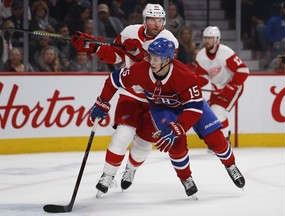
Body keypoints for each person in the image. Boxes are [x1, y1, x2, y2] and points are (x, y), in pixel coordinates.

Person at [89, 38, 245, 197]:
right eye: (150, 56)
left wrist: (179, 127)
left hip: (192, 108)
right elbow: (114, 80)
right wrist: (102, 101)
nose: (151, 61)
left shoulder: (185, 76)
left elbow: (194, 109)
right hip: (162, 108)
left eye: (156, 59)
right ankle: (186, 178)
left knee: (216, 138)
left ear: (168, 60)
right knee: (176, 144)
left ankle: (230, 165)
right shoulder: (140, 69)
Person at [71, 3, 179, 198]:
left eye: (160, 20)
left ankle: (131, 169)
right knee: (122, 135)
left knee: (143, 146)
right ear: (144, 20)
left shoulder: (169, 40)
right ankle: (107, 175)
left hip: (156, 100)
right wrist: (93, 47)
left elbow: (159, 71)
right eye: (152, 19)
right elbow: (115, 56)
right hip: (131, 94)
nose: (156, 24)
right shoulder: (130, 32)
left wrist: (139, 55)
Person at [195, 26, 250, 143]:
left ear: (217, 39)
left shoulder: (226, 52)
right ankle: (222, 138)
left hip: (233, 87)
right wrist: (194, 85)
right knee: (211, 114)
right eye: (205, 38)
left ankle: (224, 140)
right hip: (217, 88)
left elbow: (243, 70)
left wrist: (231, 86)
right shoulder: (200, 56)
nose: (207, 41)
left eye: (210, 38)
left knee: (217, 112)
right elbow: (203, 77)